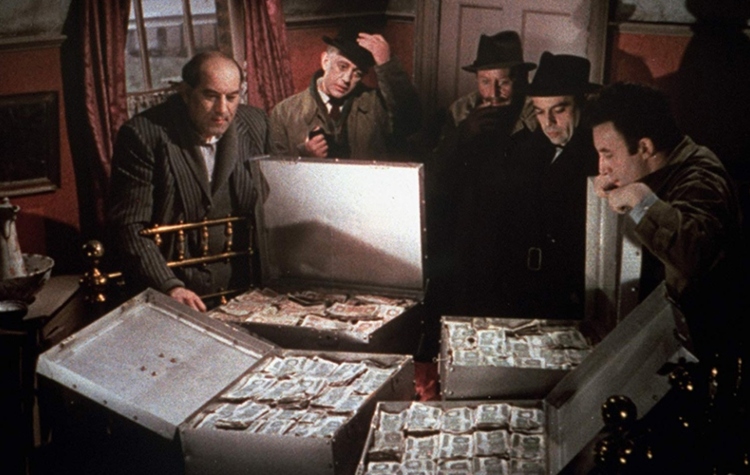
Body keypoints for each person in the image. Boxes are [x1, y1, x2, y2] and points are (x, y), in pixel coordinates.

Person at [588, 82, 747, 472]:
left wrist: (641, 201)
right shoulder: (669, 169)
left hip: (707, 374)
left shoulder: (701, 176)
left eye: (608, 154)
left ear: (644, 147)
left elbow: (695, 254)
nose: (602, 168)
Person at [107, 51, 269, 312]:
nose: (223, 109)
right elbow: (129, 225)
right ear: (185, 93)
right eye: (210, 96)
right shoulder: (143, 135)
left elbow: (274, 206)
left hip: (246, 288)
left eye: (232, 97)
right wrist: (169, 286)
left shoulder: (256, 124)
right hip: (175, 290)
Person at [425, 31, 537, 318]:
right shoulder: (461, 110)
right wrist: (463, 134)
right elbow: (436, 176)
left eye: (504, 82)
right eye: (485, 82)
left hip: (517, 228)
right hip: (468, 229)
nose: (493, 93)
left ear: (520, 80)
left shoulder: (534, 112)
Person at [501, 52, 600, 319]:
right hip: (522, 287)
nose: (549, 123)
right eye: (540, 112)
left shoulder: (599, 157)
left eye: (559, 110)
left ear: (582, 105)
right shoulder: (525, 151)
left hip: (570, 292)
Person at [269, 24, 421, 159]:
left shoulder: (374, 105)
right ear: (325, 61)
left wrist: (387, 65)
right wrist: (304, 157)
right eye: (342, 66)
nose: (347, 79)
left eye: (357, 73)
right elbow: (274, 174)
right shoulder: (284, 113)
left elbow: (411, 124)